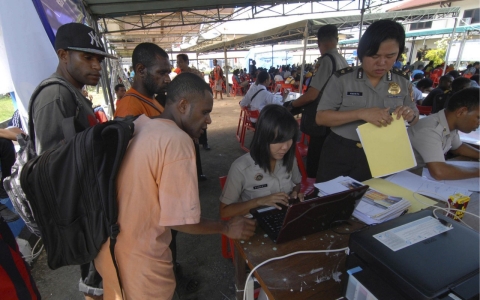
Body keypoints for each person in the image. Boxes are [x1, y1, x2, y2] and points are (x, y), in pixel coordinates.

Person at [94, 73, 256, 299]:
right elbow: (180, 221)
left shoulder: (141, 124)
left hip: (111, 255)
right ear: (182, 106)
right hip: (143, 268)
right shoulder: (177, 141)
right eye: (204, 112)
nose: (208, 121)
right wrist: (226, 228)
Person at [30, 22, 117, 299]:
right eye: (87, 57)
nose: (97, 66)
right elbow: (55, 171)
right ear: (63, 55)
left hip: (94, 209)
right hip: (84, 215)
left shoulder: (71, 92)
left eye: (99, 59)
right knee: (96, 285)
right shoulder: (54, 96)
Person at [316, 20, 418, 182]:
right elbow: (321, 118)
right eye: (375, 56)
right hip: (342, 152)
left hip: (384, 151)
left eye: (390, 56)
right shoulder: (342, 79)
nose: (382, 62)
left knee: (379, 199)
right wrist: (361, 113)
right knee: (330, 200)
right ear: (362, 53)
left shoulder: (402, 81)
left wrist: (410, 114)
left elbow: (414, 117)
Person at [285, 25, 349, 180]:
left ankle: (314, 193)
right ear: (336, 39)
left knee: (315, 161)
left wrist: (292, 105)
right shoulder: (342, 60)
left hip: (323, 120)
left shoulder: (327, 61)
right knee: (329, 159)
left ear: (319, 43)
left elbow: (312, 95)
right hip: (337, 118)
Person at [220, 104, 303, 218]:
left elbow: (297, 183)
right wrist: (259, 201)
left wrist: (295, 193)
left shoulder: (289, 158)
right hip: (255, 222)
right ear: (263, 138)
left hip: (284, 216)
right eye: (279, 140)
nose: (285, 147)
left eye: (290, 139)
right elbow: (225, 212)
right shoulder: (241, 168)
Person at [408, 88, 479, 180]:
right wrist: (477, 172)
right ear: (461, 112)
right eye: (478, 117)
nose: (479, 123)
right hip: (402, 177)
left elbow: (458, 147)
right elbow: (439, 172)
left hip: (420, 173)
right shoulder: (430, 129)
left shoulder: (449, 123)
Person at [114, 43, 171, 118]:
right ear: (141, 70)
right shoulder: (129, 110)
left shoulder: (150, 98)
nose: (168, 80)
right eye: (162, 73)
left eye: (168, 73)